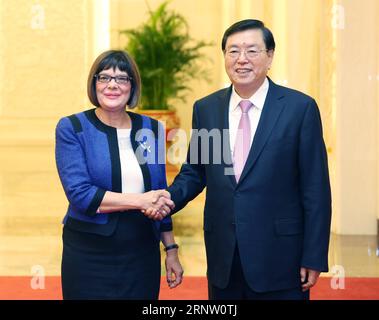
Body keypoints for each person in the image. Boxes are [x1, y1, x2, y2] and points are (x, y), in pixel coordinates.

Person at [144, 19, 332, 300]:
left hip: (280, 257)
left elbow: (315, 188)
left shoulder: (299, 109)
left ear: (269, 57)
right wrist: (165, 200)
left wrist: (314, 256)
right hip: (224, 256)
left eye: (252, 51)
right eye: (233, 51)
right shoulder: (208, 109)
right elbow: (196, 172)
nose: (241, 59)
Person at [55, 50, 183, 300]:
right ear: (94, 84)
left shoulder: (151, 128)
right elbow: (81, 195)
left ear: (132, 86)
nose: (112, 85)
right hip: (89, 252)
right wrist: (141, 201)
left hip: (141, 250)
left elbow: (160, 189)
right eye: (104, 78)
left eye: (122, 78)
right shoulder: (73, 128)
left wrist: (171, 249)